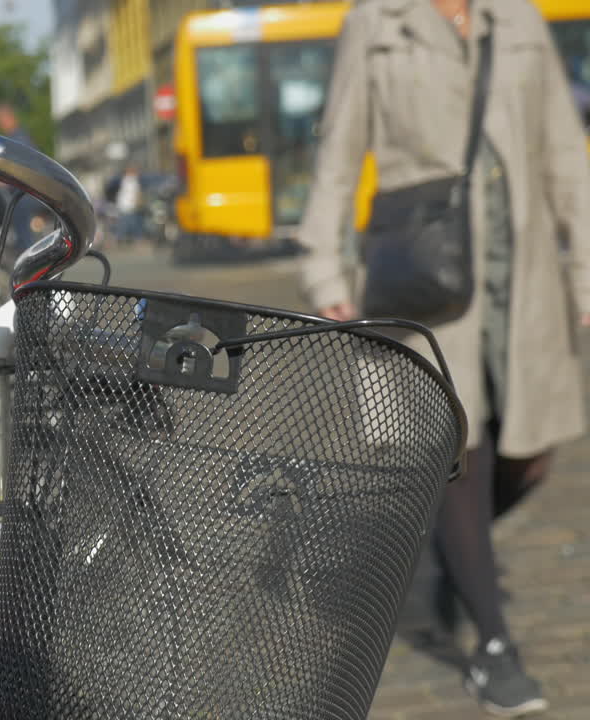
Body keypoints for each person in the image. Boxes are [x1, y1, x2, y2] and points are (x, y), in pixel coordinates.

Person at [297, 0, 590, 715]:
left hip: (518, 278)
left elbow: (564, 152)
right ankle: (494, 647)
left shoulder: (515, 18)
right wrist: (325, 270)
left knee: (531, 455)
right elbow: (340, 148)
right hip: (425, 272)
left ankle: (457, 558)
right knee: (460, 448)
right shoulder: (378, 22)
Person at [0, 101, 48, 249]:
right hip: (28, 191)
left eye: (1, 119)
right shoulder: (17, 137)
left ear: (9, 117)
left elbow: (23, 169)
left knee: (17, 210)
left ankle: (27, 251)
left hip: (32, 193)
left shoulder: (18, 138)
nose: (0, 124)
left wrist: (4, 181)